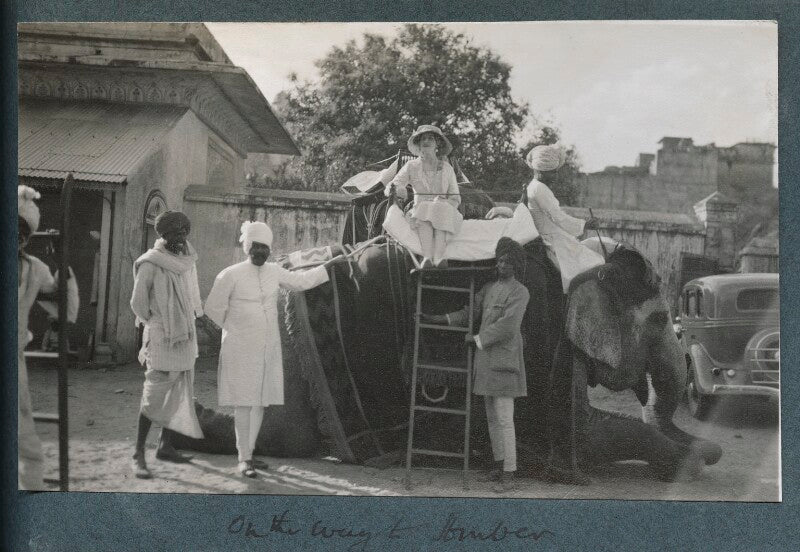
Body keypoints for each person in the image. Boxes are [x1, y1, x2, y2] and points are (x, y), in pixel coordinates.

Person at [204, 221, 344, 478]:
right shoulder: (230, 274)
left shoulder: (274, 272)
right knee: (244, 404)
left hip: (267, 346)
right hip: (239, 347)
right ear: (247, 247)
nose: (260, 252)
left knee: (259, 403)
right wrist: (232, 328)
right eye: (256, 247)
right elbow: (212, 308)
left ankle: (250, 453)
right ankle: (243, 458)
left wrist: (327, 268)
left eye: (265, 248)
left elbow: (301, 281)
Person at [421, 237, 530, 493]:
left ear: (515, 266)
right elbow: (469, 312)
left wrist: (478, 339)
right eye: (500, 260)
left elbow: (508, 326)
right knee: (492, 419)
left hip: (504, 362)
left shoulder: (520, 292)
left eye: (507, 262)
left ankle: (509, 475)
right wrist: (440, 319)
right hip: (486, 363)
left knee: (505, 419)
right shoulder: (489, 288)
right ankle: (499, 464)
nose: (502, 265)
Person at [129, 210, 204, 479]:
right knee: (155, 391)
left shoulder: (188, 261)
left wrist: (196, 318)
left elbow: (194, 296)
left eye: (184, 232)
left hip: (185, 334)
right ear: (163, 235)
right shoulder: (150, 263)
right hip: (161, 335)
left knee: (180, 389)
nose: (181, 237)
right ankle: (138, 452)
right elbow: (137, 304)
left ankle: (166, 446)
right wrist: (160, 323)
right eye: (175, 233)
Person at [525, 144, 604, 291]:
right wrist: (585, 225)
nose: (556, 176)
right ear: (541, 171)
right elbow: (558, 217)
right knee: (594, 264)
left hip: (554, 235)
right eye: (553, 172)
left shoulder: (537, 187)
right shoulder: (539, 189)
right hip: (551, 239)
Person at [18, 185, 55, 490]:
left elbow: (58, 300)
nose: (17, 237)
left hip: (12, 360)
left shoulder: (36, 269)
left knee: (23, 435)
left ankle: (31, 494)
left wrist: (66, 284)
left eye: (23, 232)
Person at [385, 124, 463, 268]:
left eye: (430, 139)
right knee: (425, 209)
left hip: (444, 212)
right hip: (420, 213)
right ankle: (427, 258)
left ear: (437, 145)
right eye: (423, 139)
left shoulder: (447, 168)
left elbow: (456, 198)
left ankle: (440, 258)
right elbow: (393, 185)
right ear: (419, 145)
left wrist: (444, 202)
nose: (426, 141)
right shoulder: (411, 166)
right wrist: (397, 189)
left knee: (440, 208)